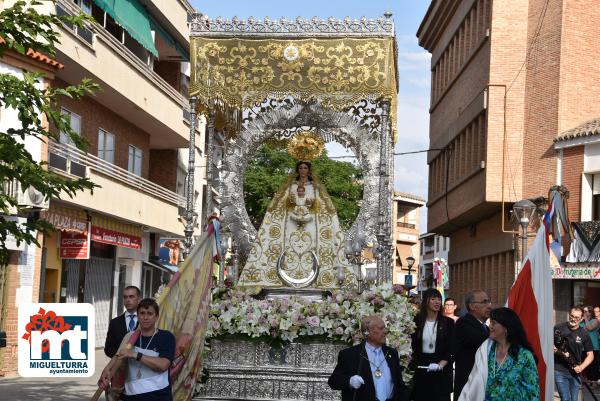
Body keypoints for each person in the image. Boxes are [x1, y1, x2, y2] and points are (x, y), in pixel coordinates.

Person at [238, 160, 353, 289]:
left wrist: (311, 208)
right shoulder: (289, 187)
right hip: (291, 227)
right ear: (297, 170)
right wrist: (291, 205)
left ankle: (317, 277)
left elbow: (324, 208)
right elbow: (279, 206)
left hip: (311, 227)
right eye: (300, 168)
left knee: (312, 249)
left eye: (305, 168)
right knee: (288, 249)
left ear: (309, 170)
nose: (303, 170)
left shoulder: (316, 188)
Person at [99, 298, 176, 401]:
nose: (145, 317)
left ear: (156, 316)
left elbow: (163, 365)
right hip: (131, 396)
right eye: (142, 313)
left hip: (158, 396)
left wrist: (136, 354)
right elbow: (117, 358)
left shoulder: (166, 336)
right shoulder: (130, 337)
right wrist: (107, 372)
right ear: (138, 316)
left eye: (150, 313)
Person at [457, 307, 539, 401]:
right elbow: (472, 382)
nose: (490, 326)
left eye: (494, 323)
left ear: (506, 328)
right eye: (490, 322)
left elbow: (533, 392)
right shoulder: (485, 351)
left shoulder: (524, 356)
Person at [328, 315, 409, 401]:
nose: (385, 331)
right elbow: (334, 381)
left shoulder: (392, 353)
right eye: (381, 328)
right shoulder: (350, 354)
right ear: (367, 332)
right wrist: (350, 381)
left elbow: (399, 384)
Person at [411, 288, 454, 401]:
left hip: (441, 369)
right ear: (426, 301)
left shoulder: (448, 323)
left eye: (439, 299)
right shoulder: (416, 321)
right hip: (421, 369)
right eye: (433, 299)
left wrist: (441, 364)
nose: (437, 302)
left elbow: (452, 348)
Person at [453, 289, 492, 400]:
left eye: (489, 301)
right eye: (484, 302)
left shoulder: (486, 327)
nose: (489, 306)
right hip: (469, 383)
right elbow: (481, 340)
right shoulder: (464, 323)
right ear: (472, 306)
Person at [554, 306, 594, 401]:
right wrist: (561, 352)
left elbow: (590, 355)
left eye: (577, 317)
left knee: (574, 399)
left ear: (581, 319)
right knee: (566, 398)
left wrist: (581, 367)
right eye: (572, 316)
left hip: (576, 372)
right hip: (560, 370)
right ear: (569, 315)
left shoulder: (583, 333)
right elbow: (553, 347)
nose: (573, 319)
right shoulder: (558, 328)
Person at [105, 286, 141, 358]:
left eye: (131, 297)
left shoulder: (146, 321)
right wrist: (121, 357)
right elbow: (108, 349)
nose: (128, 300)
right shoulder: (114, 323)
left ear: (139, 299)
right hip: (120, 365)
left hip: (140, 365)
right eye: (125, 297)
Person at [581, 305, 600, 383]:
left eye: (586, 311)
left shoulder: (595, 321)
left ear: (590, 312)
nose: (584, 313)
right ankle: (588, 381)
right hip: (583, 347)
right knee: (585, 366)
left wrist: (585, 318)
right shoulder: (582, 322)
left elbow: (589, 327)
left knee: (593, 366)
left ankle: (594, 381)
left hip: (593, 347)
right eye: (583, 311)